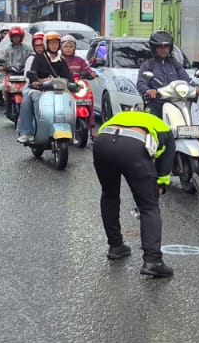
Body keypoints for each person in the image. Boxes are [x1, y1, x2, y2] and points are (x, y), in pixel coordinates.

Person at [94, 110, 176, 278]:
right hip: (133, 146)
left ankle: (116, 246)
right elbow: (165, 163)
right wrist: (160, 184)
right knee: (148, 206)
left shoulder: (122, 117)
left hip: (102, 141)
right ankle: (153, 261)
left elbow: (102, 130)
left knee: (109, 194)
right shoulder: (165, 129)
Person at [17, 32, 75, 143]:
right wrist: (36, 81)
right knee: (27, 100)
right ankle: (27, 132)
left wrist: (74, 84)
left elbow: (68, 77)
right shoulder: (38, 58)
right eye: (51, 43)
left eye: (56, 43)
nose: (54, 46)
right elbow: (31, 73)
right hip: (40, 90)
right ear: (46, 45)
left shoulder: (61, 61)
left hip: (58, 91)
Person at [136, 31, 189, 113]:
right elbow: (141, 83)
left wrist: (197, 88)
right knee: (151, 117)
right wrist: (148, 91)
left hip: (176, 102)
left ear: (170, 48)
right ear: (154, 48)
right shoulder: (148, 65)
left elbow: (186, 79)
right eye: (160, 47)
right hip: (157, 103)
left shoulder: (175, 64)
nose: (163, 50)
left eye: (166, 47)